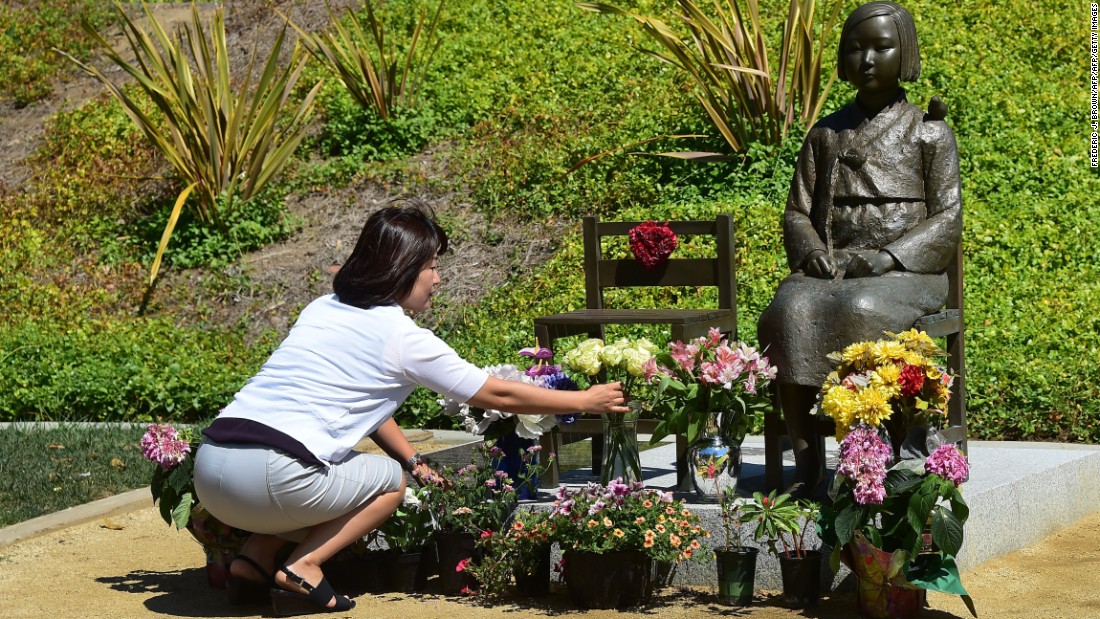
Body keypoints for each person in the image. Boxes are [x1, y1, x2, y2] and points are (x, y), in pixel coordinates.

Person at [193, 200, 629, 616]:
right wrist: (584, 400)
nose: (438, 278)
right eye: (432, 266)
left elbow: (366, 405)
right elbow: (496, 396)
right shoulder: (402, 337)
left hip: (212, 472)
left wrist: (414, 458)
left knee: (335, 466)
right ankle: (303, 566)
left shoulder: (323, 309)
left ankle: (253, 559)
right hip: (273, 476)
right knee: (386, 482)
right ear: (402, 269)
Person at [757, 1, 962, 497]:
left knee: (863, 306)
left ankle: (877, 455)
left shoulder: (929, 131)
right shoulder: (826, 132)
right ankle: (808, 460)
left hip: (903, 272)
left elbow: (948, 216)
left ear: (904, 52)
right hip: (835, 266)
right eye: (855, 48)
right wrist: (811, 252)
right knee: (789, 310)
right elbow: (797, 211)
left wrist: (892, 256)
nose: (866, 58)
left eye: (881, 46)